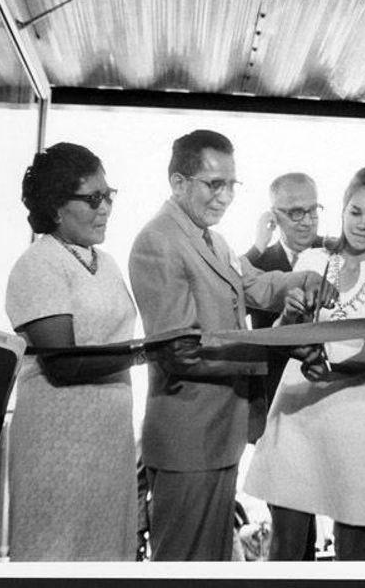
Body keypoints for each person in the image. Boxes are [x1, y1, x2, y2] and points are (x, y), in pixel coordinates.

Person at [128, 129, 329, 561]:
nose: (224, 197)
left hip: (220, 435)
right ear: (178, 183)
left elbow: (254, 284)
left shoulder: (213, 240)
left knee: (213, 562)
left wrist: (303, 279)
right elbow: (180, 352)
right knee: (184, 564)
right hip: (187, 440)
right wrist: (275, 348)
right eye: (213, 184)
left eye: (231, 185)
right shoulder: (157, 242)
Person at [4, 142, 195, 561]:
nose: (106, 207)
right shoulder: (38, 264)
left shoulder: (104, 262)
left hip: (108, 442)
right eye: (93, 199)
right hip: (56, 445)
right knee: (56, 552)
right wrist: (149, 352)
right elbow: (62, 364)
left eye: (109, 195)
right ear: (56, 208)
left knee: (107, 551)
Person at [244, 160, 365, 561]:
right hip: (298, 404)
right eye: (355, 212)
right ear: (342, 209)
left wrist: (333, 373)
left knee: (354, 547)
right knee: (286, 545)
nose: (362, 224)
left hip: (356, 410)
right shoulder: (311, 261)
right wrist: (293, 313)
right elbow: (285, 335)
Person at [245, 172, 324, 405]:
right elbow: (227, 291)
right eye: (297, 213)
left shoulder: (339, 255)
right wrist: (257, 246)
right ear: (274, 216)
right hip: (276, 398)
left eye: (314, 210)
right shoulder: (256, 264)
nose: (308, 222)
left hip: (333, 392)